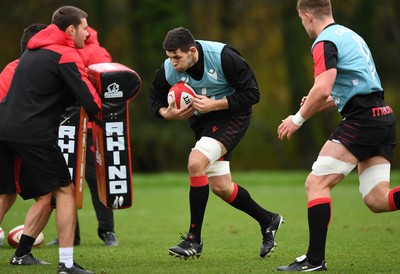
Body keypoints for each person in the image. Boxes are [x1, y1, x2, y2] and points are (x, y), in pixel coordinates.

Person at [276, 0, 400, 271]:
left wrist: (296, 120)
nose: (302, 24)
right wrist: (324, 99)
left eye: (301, 19)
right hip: (382, 117)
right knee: (378, 199)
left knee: (316, 183)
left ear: (307, 16)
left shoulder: (323, 41)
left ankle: (314, 260)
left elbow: (322, 89)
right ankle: (315, 259)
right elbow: (356, 85)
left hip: (363, 121)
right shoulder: (351, 35)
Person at [149, 27, 284, 259]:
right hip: (204, 124)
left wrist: (215, 104)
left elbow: (252, 94)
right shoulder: (169, 70)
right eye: (170, 57)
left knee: (195, 163)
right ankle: (268, 219)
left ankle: (194, 240)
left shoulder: (223, 57)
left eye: (177, 57)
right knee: (221, 187)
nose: (172, 63)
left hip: (233, 116)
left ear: (192, 51)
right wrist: (166, 113)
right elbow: (154, 98)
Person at [0, 6, 101, 274]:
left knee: (38, 195)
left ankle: (22, 254)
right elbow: (91, 102)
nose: (88, 32)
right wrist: (112, 104)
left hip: (5, 127)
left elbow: (50, 93)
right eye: (84, 27)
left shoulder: (33, 52)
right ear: (71, 29)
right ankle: (67, 265)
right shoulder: (66, 54)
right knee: (65, 191)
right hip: (32, 133)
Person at [47, 26, 118, 247]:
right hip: (65, 126)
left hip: (90, 128)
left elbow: (110, 89)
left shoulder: (98, 52)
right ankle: (70, 235)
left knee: (97, 180)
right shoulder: (59, 50)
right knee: (65, 182)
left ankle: (107, 231)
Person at [0, 23, 54, 265]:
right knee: (48, 195)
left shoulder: (10, 67)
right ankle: (22, 255)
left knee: (5, 195)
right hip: (20, 136)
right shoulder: (35, 71)